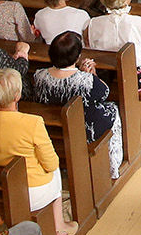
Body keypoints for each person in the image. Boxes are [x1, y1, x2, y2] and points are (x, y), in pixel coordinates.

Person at [0, 70, 76, 235]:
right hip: (32, 192)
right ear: (17, 95)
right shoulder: (33, 122)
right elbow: (51, 163)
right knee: (56, 169)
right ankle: (59, 226)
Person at [31, 31, 123, 180]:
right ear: (77, 56)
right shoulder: (85, 80)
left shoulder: (39, 75)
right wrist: (92, 75)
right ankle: (113, 166)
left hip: (53, 127)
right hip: (83, 129)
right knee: (112, 108)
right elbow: (104, 93)